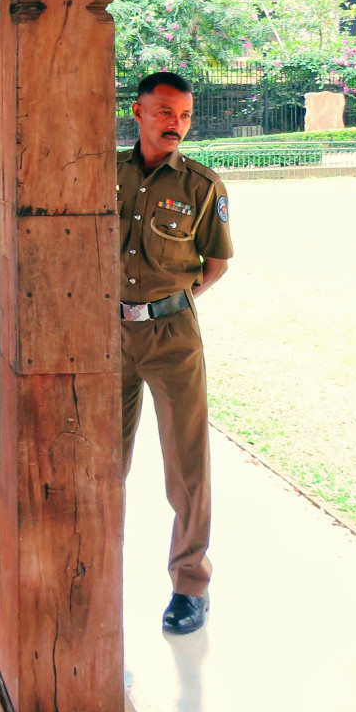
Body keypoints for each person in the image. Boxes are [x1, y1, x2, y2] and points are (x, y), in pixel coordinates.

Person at [118, 71, 233, 636]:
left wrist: (169, 304)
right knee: (99, 458)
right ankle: (91, 566)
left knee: (186, 466)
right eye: (165, 112)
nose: (176, 124)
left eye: (185, 115)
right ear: (137, 112)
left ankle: (190, 585)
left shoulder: (203, 187)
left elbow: (214, 266)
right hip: (104, 334)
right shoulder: (104, 173)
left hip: (172, 337)